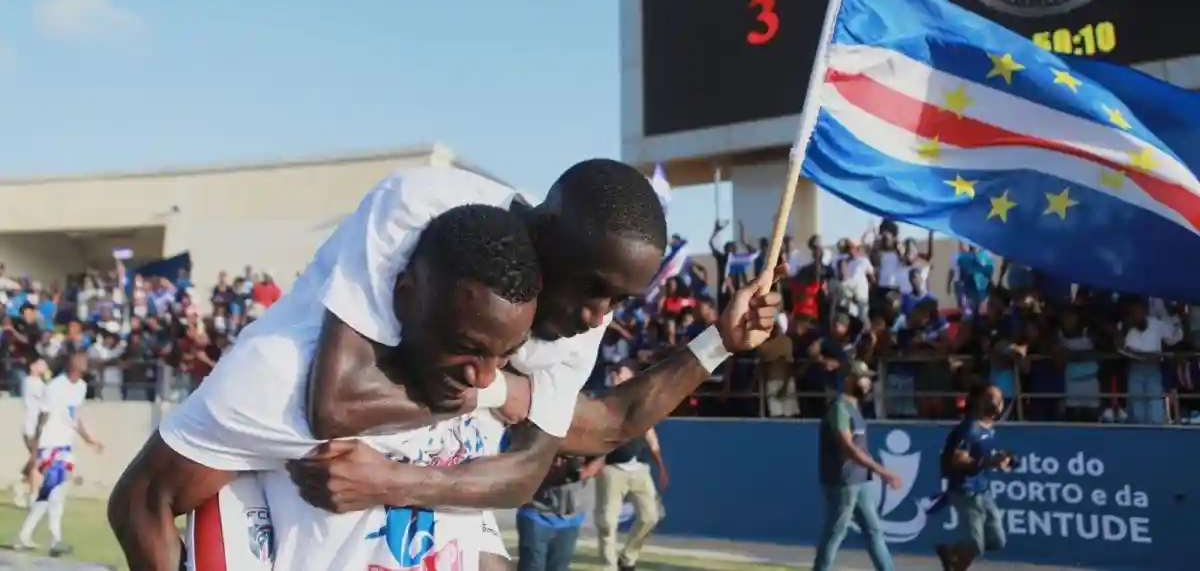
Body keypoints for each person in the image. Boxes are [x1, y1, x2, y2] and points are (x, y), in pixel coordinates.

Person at [108, 159, 781, 568]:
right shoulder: (288, 365)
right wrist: (503, 394)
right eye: (592, 288)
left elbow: (563, 447)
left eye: (617, 300)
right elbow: (330, 405)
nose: (597, 316)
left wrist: (400, 476)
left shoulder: (554, 333)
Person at [13, 348, 103, 556]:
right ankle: (55, 539)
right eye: (81, 360)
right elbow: (42, 417)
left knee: (52, 492)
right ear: (72, 364)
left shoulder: (81, 387)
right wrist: (36, 449)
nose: (85, 364)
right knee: (56, 491)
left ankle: (24, 535)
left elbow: (75, 417)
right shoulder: (55, 386)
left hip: (64, 445)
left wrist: (88, 439)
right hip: (49, 444)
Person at [812, 360, 899, 571]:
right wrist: (882, 471)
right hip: (844, 482)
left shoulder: (853, 408)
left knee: (874, 531)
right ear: (849, 379)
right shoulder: (839, 409)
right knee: (836, 533)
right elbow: (849, 448)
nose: (868, 383)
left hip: (860, 480)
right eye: (863, 378)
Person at [594, 363, 670, 571]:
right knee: (607, 521)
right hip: (612, 468)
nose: (624, 379)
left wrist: (661, 466)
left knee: (650, 516)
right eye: (620, 375)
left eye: (627, 375)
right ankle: (609, 566)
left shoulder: (640, 404)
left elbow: (650, 434)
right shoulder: (604, 402)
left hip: (639, 468)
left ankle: (628, 558)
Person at [935, 383, 1013, 571]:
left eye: (1000, 398)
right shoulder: (969, 428)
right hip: (965, 490)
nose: (999, 403)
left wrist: (1004, 459)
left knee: (997, 540)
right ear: (980, 401)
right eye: (993, 398)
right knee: (975, 545)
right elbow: (959, 459)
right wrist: (989, 462)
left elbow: (984, 453)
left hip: (982, 490)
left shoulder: (989, 428)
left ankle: (950, 551)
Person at [516, 454, 605, 571]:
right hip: (536, 513)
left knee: (559, 567)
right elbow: (517, 461)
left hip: (570, 518)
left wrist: (583, 472)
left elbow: (600, 455)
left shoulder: (587, 444)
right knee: (533, 566)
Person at [13, 356, 50, 508]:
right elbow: (45, 407)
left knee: (38, 460)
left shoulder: (40, 384)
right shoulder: (31, 383)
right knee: (37, 460)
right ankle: (32, 494)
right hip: (32, 428)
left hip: (37, 428)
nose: (44, 366)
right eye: (41, 364)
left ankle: (21, 485)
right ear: (32, 366)